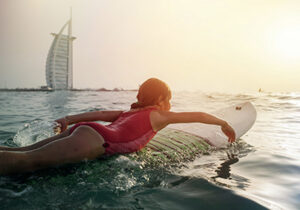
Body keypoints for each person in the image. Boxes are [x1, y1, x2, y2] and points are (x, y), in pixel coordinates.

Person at [0, 78, 235, 175]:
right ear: (161, 101)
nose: (170, 105)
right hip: (96, 140)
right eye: (169, 100)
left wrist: (68, 120)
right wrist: (223, 122)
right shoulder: (159, 116)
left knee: (22, 152)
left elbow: (99, 114)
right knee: (25, 162)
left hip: (84, 130)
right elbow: (197, 115)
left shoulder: (129, 112)